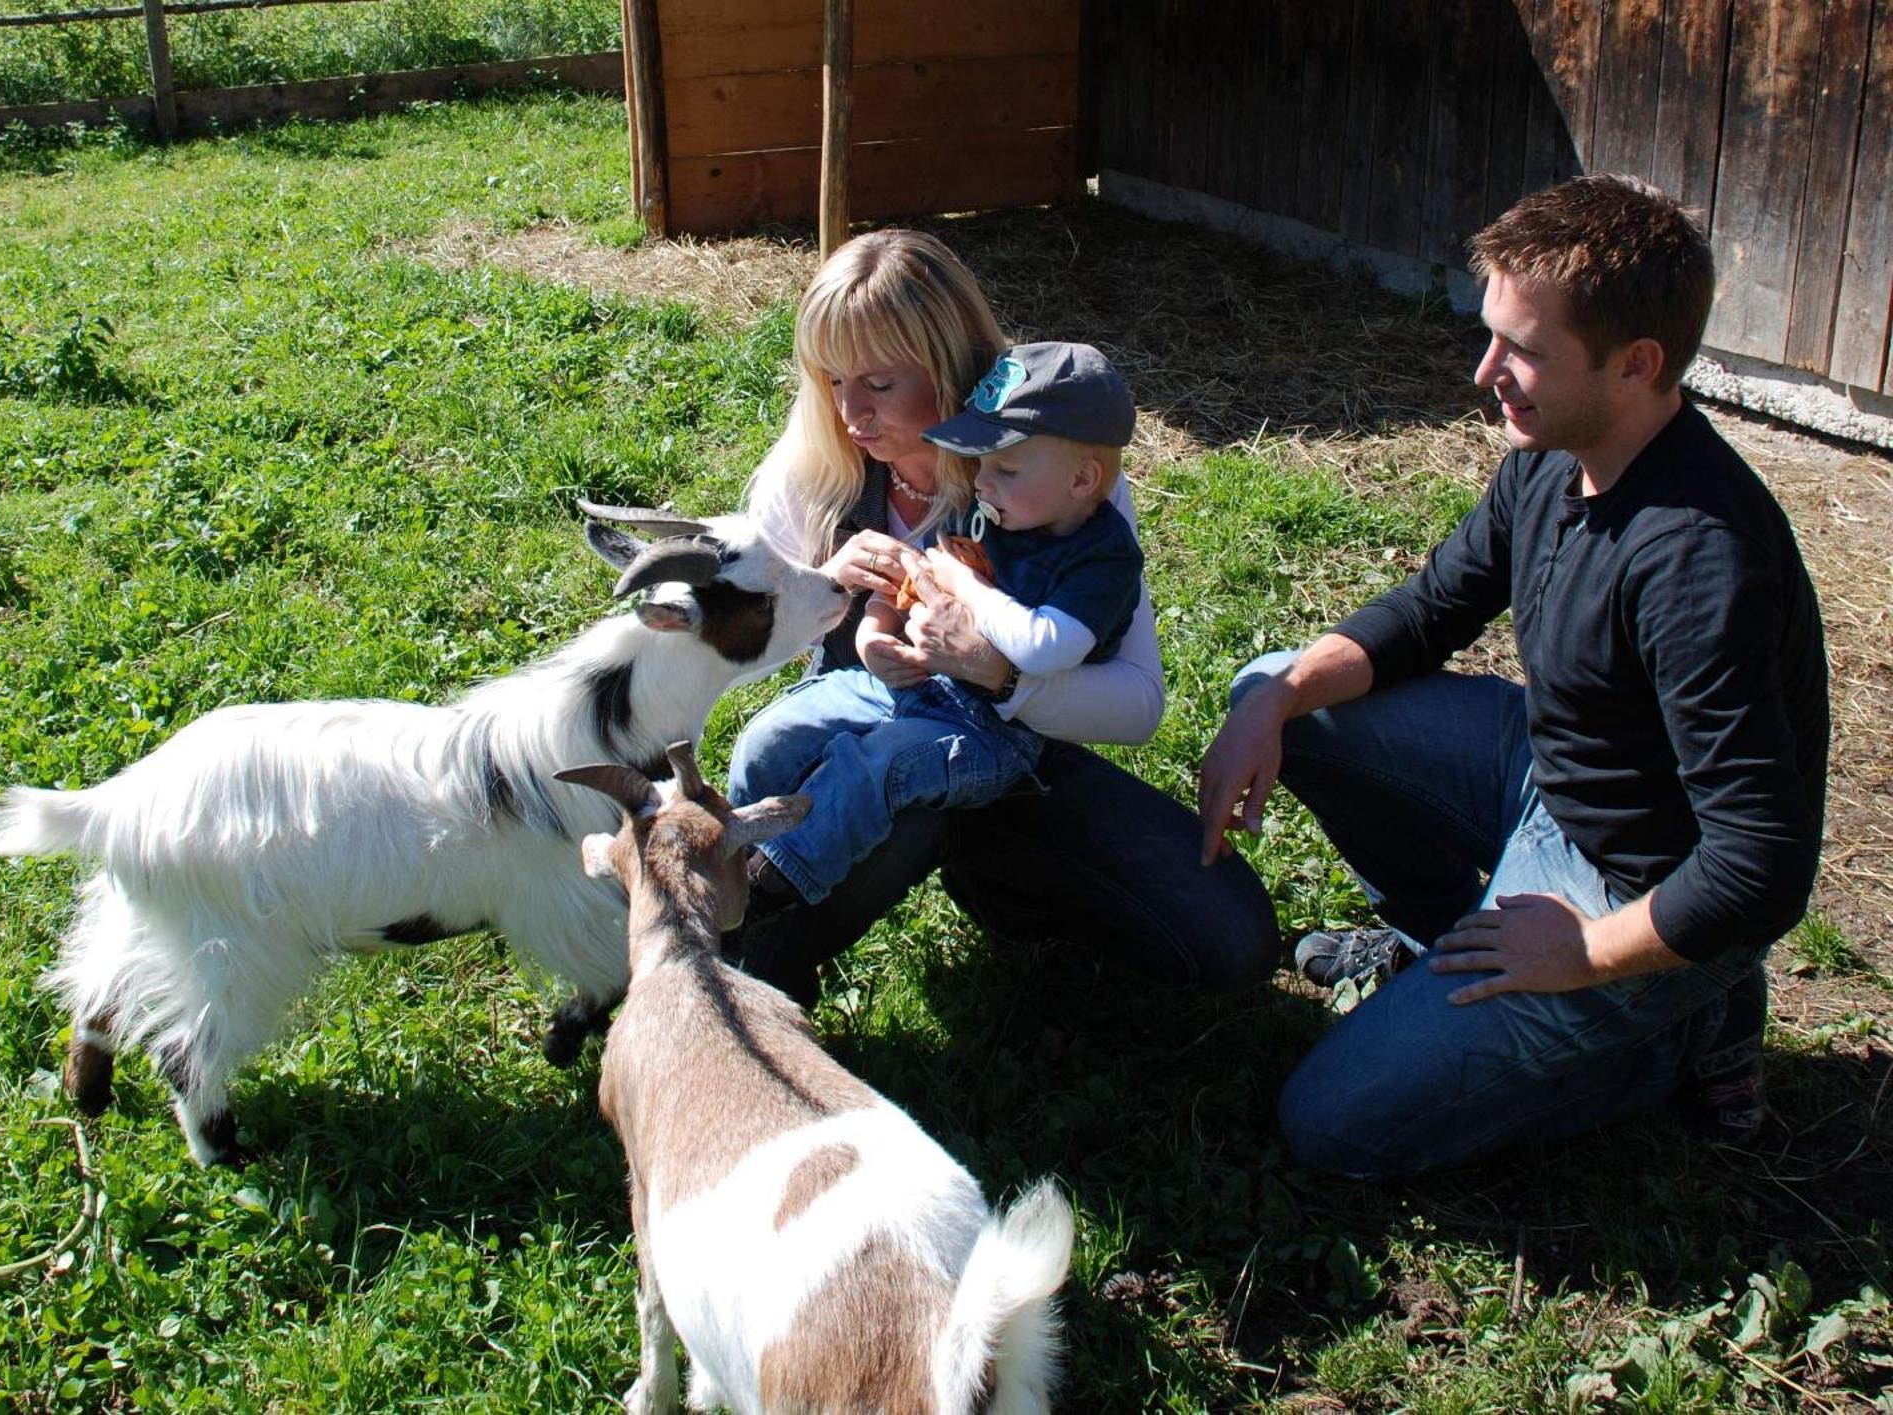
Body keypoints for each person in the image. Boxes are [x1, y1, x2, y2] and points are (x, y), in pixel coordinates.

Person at [1199, 174, 1829, 1179]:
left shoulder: (1700, 563)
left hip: (1628, 888)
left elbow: (1759, 867)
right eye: (1488, 332)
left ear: (1637, 363)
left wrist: (1581, 954)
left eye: (1521, 349)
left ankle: (1679, 1026)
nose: (1483, 368)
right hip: (1543, 775)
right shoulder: (1549, 454)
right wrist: (1272, 701)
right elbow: (1428, 610)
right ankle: (1434, 935)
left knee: (1332, 1124)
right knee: (1280, 683)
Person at [727, 229, 1280, 1006]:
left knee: (1229, 935)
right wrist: (829, 597)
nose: (850, 411)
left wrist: (1000, 671)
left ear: (951, 368)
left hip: (1013, 748)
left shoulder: (1050, 459)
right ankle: (761, 964)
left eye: (880, 384)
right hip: (866, 726)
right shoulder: (818, 463)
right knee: (800, 753)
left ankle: (1001, 881)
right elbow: (744, 646)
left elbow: (1137, 701)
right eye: (832, 379)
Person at [736, 340, 1144, 910]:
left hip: (994, 731)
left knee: (870, 767)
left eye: (1003, 468)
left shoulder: (1102, 558)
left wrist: (968, 590)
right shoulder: (991, 510)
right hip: (918, 686)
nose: (981, 482)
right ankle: (730, 851)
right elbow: (917, 573)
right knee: (771, 737)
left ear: (1081, 481)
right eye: (979, 466)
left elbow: (1045, 649)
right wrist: (873, 632)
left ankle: (765, 892)